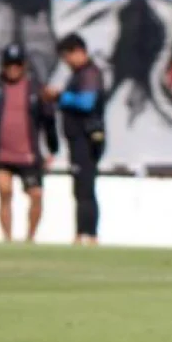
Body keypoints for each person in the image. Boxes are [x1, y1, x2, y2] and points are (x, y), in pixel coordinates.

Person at [0, 44, 60, 243]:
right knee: (5, 192)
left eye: (17, 64)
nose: (13, 69)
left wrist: (52, 149)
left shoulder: (36, 89)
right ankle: (7, 238)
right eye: (9, 64)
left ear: (24, 66)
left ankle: (30, 237)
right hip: (1, 154)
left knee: (36, 194)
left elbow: (48, 121)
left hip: (28, 155)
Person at [45, 34, 106, 246]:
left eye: (67, 57)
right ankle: (83, 232)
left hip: (87, 139)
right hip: (78, 139)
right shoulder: (80, 74)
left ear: (78, 52)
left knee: (85, 187)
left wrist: (60, 97)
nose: (67, 62)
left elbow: (86, 102)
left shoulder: (89, 73)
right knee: (81, 188)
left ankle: (87, 234)